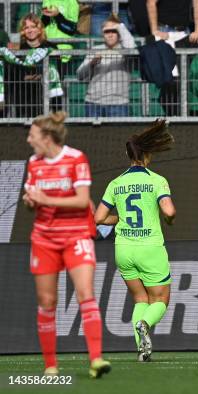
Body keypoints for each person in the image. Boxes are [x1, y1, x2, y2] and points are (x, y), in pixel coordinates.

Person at [23, 112, 111, 378]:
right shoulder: (34, 164)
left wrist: (45, 198)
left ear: (47, 138)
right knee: (47, 301)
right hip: (44, 238)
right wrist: (31, 201)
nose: (28, 139)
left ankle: (96, 359)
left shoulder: (75, 158)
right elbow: (33, 200)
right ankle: (50, 365)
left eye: (32, 135)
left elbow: (83, 200)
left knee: (85, 293)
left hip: (76, 236)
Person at [94, 120, 176, 362]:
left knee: (140, 298)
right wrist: (168, 219)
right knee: (160, 300)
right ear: (147, 154)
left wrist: (119, 219)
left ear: (128, 155)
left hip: (124, 249)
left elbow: (98, 218)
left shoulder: (116, 183)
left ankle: (142, 350)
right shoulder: (156, 180)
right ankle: (145, 323)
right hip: (149, 247)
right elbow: (169, 211)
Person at [3, 13, 62, 118]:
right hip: (23, 99)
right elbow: (9, 74)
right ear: (22, 31)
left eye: (33, 27)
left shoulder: (51, 47)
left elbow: (59, 72)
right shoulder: (18, 49)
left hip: (46, 98)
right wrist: (23, 78)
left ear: (40, 29)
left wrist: (42, 77)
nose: (30, 30)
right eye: (26, 28)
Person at [76, 14, 136, 118]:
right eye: (107, 31)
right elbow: (80, 75)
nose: (110, 34)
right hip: (93, 103)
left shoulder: (125, 50)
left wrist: (119, 26)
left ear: (120, 32)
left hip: (119, 104)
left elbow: (131, 46)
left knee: (119, 135)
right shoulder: (95, 49)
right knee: (91, 135)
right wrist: (91, 63)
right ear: (102, 33)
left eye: (114, 31)